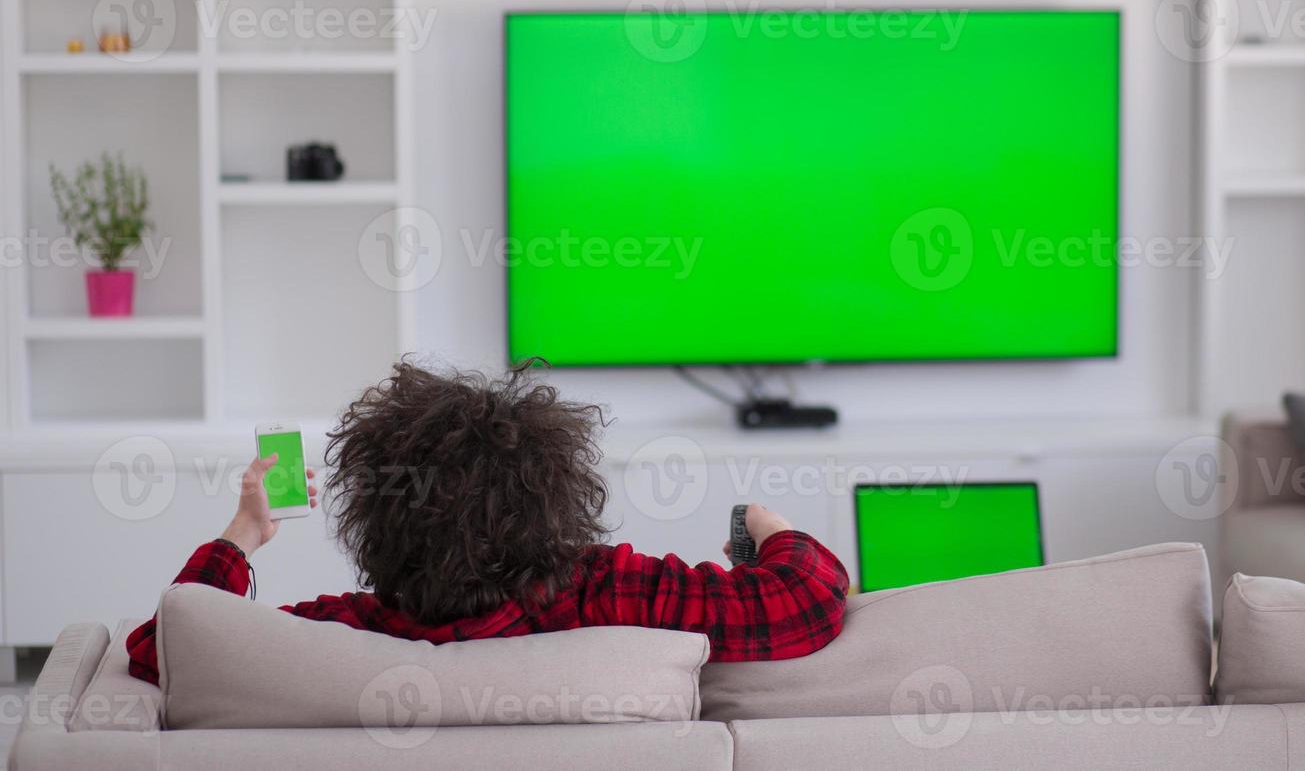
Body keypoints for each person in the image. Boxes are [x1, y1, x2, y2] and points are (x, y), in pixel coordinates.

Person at [126, 361, 848, 684]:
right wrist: (766, 523)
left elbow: (168, 650)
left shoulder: (337, 639)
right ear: (558, 496)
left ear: (375, 523)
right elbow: (806, 600)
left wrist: (242, 533)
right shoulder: (610, 595)